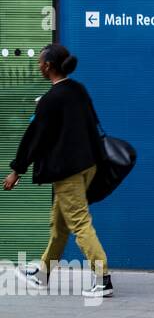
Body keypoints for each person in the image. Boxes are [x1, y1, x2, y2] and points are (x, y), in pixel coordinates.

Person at [2, 44, 113, 298]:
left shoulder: (50, 100)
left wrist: (16, 171)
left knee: (80, 223)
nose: (38, 66)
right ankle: (43, 273)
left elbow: (34, 139)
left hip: (68, 171)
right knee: (59, 224)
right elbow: (92, 124)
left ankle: (103, 277)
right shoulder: (78, 90)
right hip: (87, 166)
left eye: (40, 62)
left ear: (49, 66)